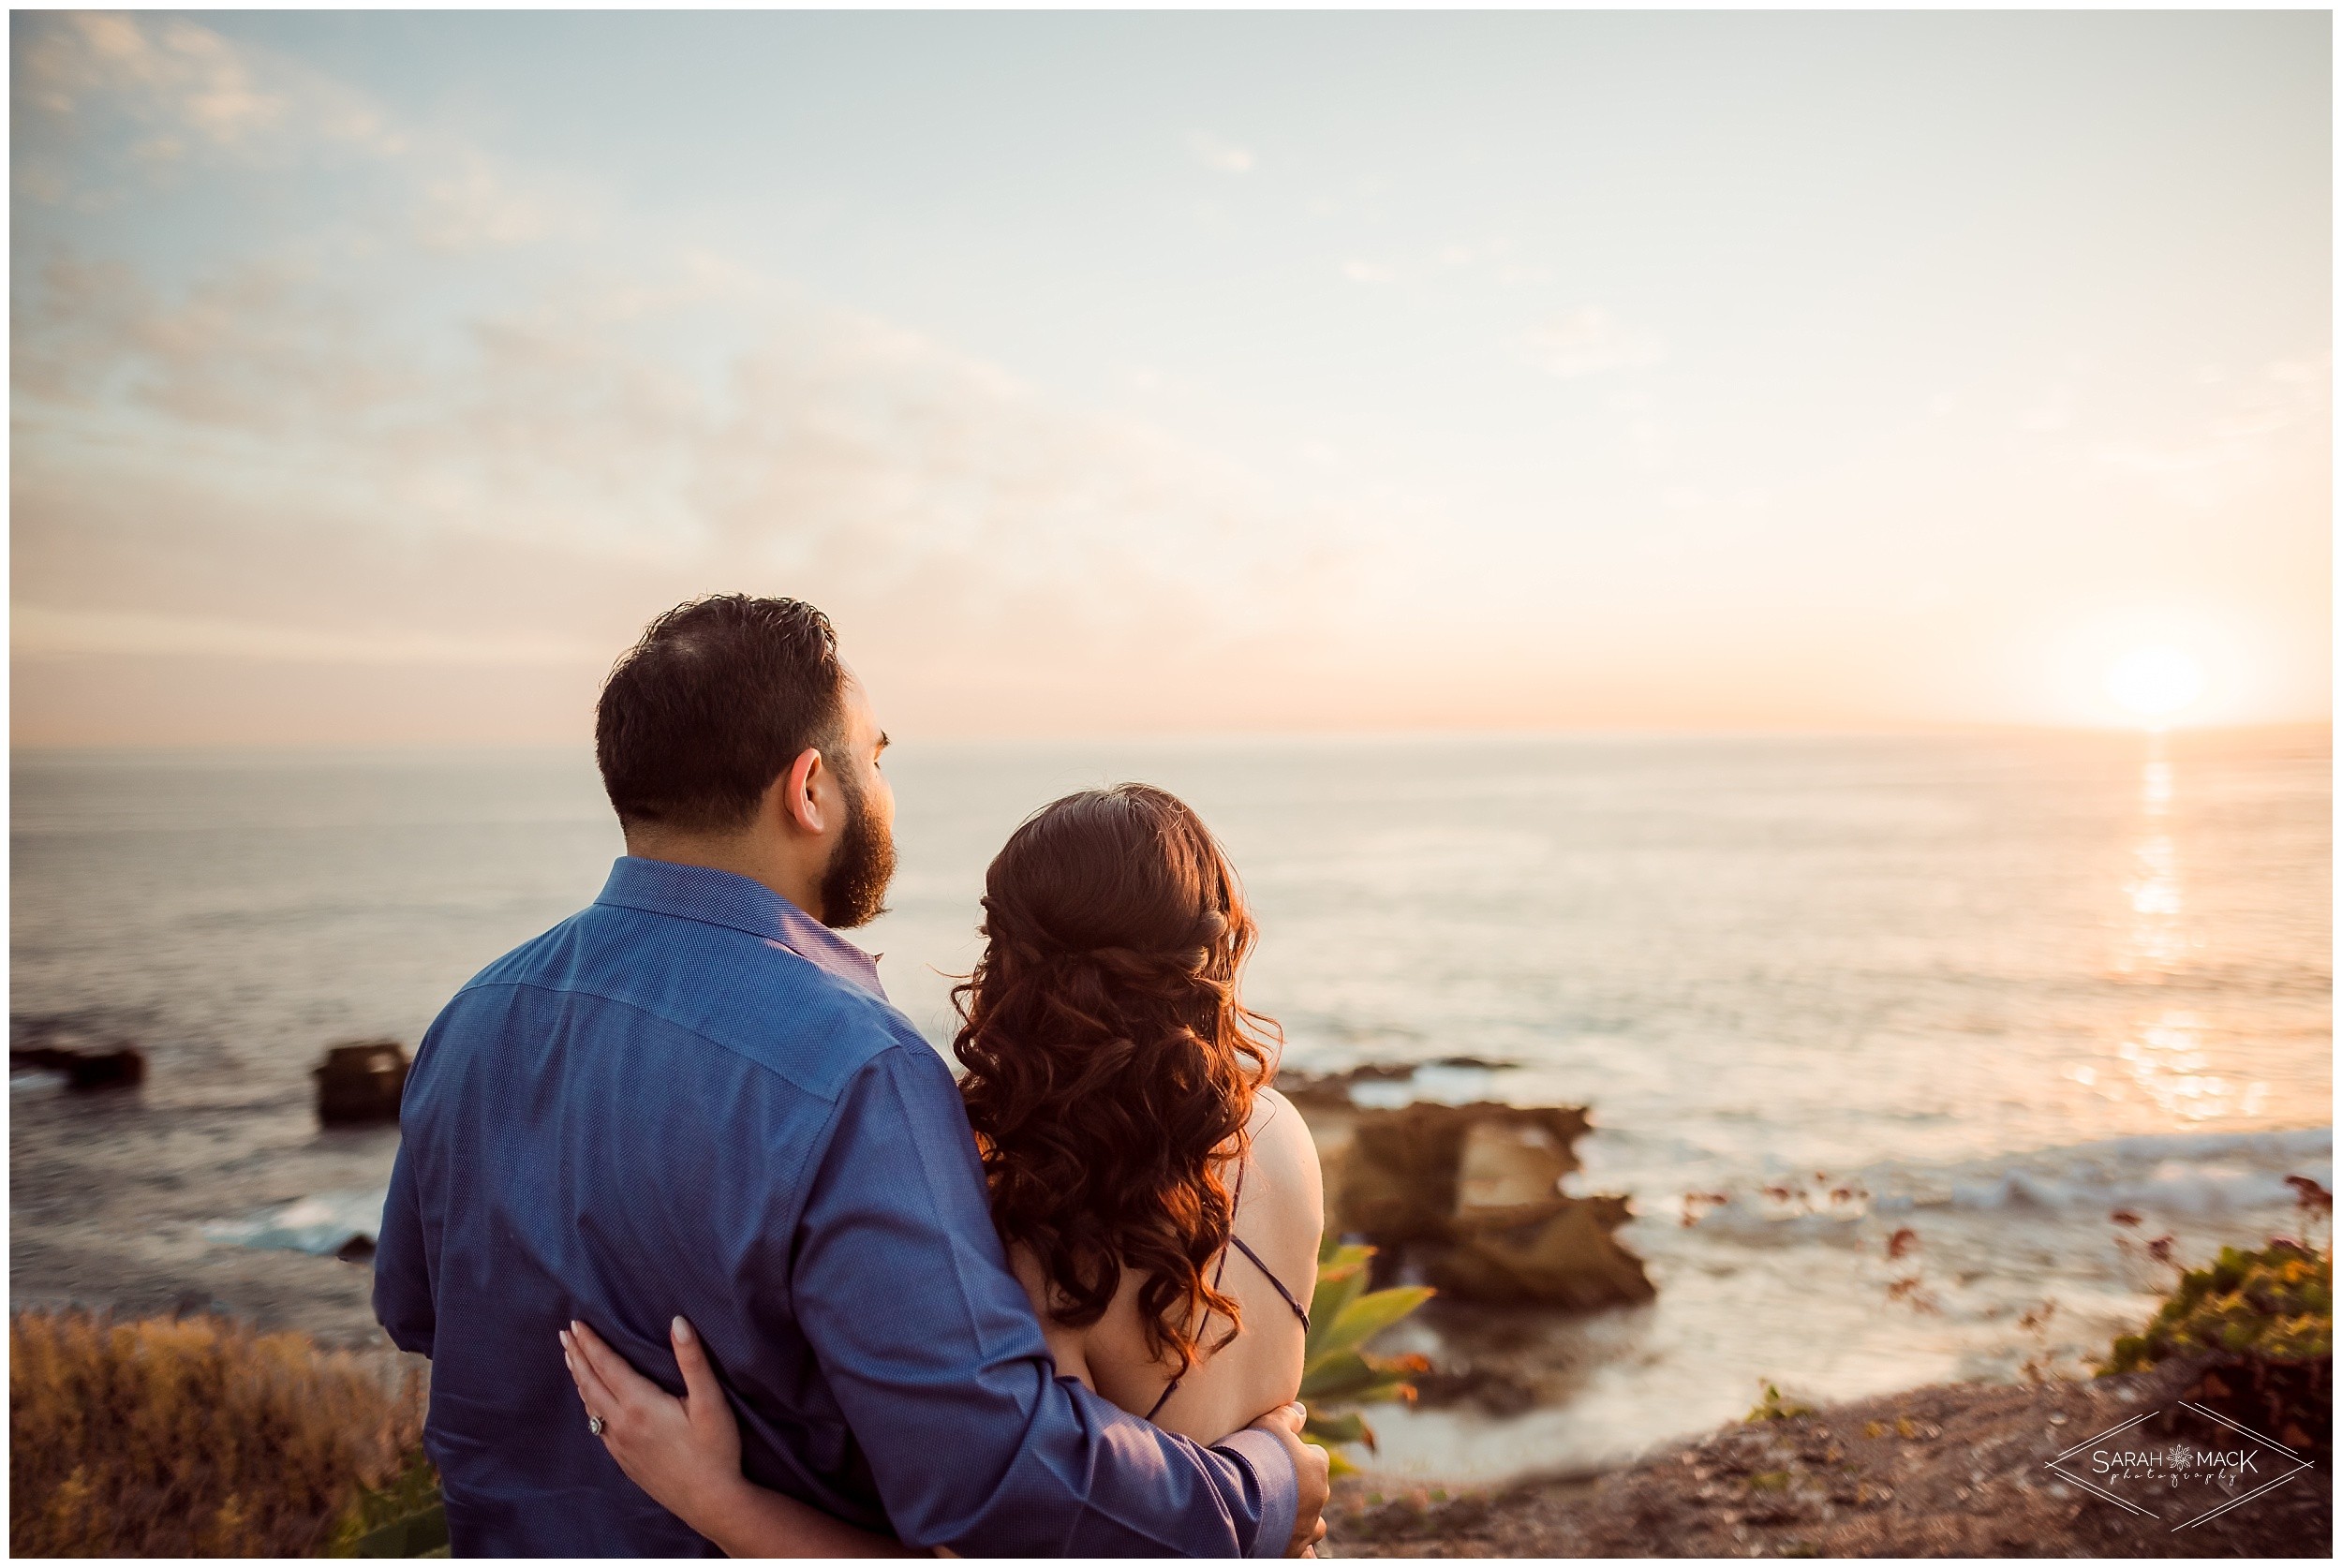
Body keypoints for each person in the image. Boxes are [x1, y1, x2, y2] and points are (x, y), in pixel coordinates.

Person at [373, 596, 1328, 1556]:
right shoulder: (855, 1071)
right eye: (875, 757)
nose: (884, 788)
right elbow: (991, 1479)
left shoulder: (471, 1017)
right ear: (810, 791)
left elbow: (416, 1311)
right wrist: (1266, 1487)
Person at [558, 783, 1327, 1555]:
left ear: (1013, 966)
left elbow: (1003, 1537)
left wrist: (715, 1498)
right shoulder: (1285, 1136)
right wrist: (1271, 1479)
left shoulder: (1027, 1218)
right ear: (1206, 950)